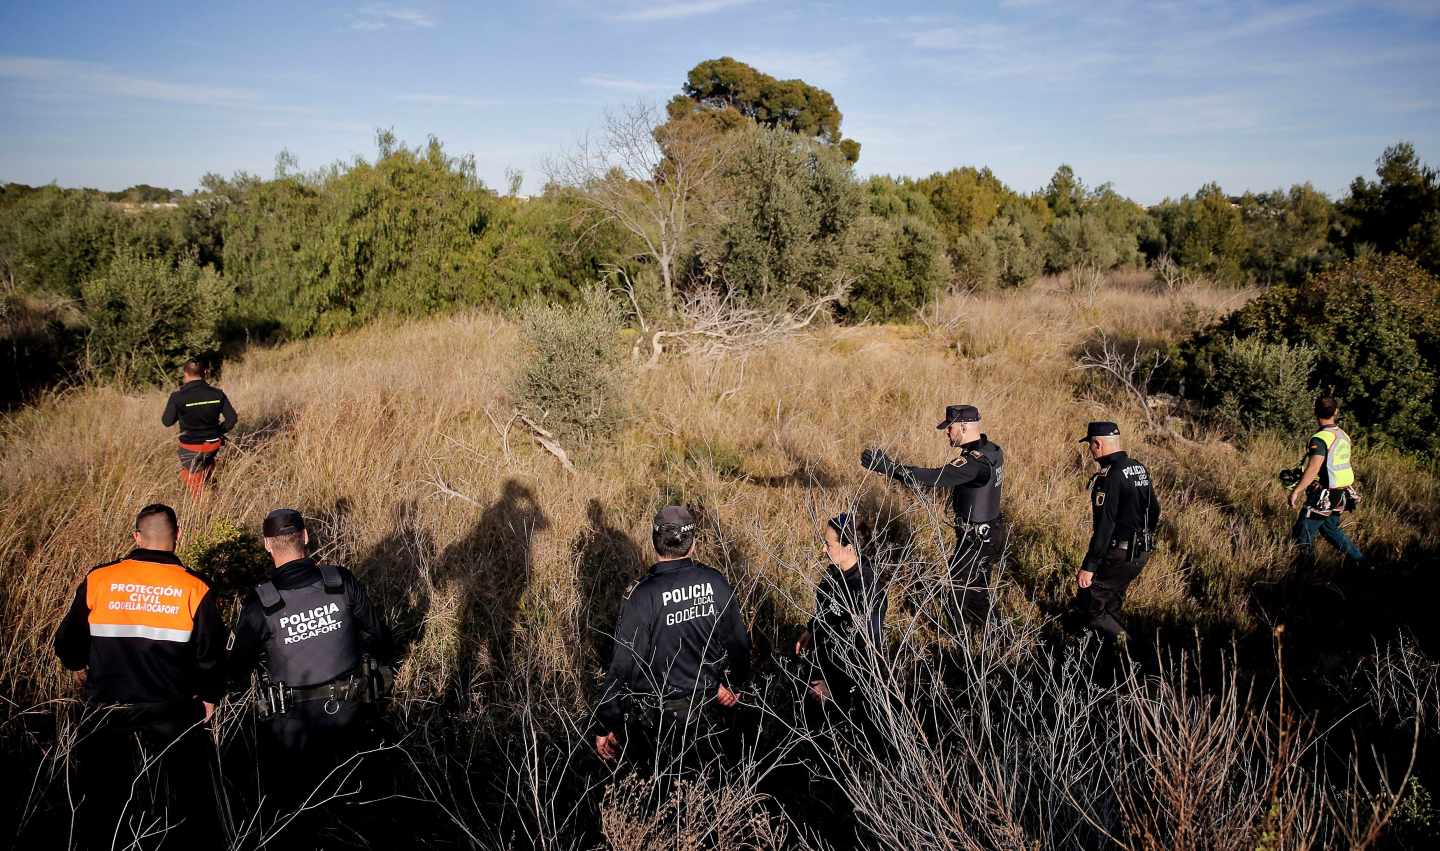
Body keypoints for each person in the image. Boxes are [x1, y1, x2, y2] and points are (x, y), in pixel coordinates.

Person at [53, 503, 226, 848]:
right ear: (177, 537)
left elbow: (67, 642)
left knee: (101, 798)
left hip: (107, 707)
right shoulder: (195, 587)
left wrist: (77, 667)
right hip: (171, 710)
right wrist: (209, 697)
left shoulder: (99, 578)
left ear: (136, 536)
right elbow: (211, 655)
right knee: (191, 797)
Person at [225, 508, 394, 834]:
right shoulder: (339, 581)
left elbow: (236, 669)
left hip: (293, 726)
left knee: (300, 813)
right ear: (305, 537)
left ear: (267, 545)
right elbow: (381, 637)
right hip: (352, 713)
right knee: (358, 803)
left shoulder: (261, 602)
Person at [592, 505, 752, 778]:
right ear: (694, 543)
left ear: (655, 541)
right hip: (710, 710)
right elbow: (739, 644)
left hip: (657, 721)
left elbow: (622, 666)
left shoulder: (641, 596)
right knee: (711, 782)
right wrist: (735, 684)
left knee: (662, 789)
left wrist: (606, 722)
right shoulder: (715, 582)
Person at [861, 404, 1005, 629]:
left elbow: (934, 477)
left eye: (951, 427)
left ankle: (963, 646)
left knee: (955, 596)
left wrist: (890, 468)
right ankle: (997, 636)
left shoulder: (974, 464)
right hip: (987, 534)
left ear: (965, 427)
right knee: (977, 592)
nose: (947, 432)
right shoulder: (992, 450)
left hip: (977, 540)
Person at [1072, 422, 1162, 643]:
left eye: (1090, 446)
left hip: (1118, 553)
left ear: (1097, 444)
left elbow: (1105, 525)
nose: (1091, 452)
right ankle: (1107, 657)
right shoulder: (1138, 467)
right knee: (1111, 602)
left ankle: (1129, 648)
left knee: (1090, 605)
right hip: (1140, 552)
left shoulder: (1109, 476)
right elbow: (1155, 508)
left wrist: (1089, 566)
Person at [795, 514, 887, 720]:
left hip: (848, 685)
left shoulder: (867, 589)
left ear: (850, 548)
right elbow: (826, 610)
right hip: (823, 663)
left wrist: (833, 686)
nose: (823, 549)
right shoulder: (833, 573)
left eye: (829, 544)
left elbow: (867, 650)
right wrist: (812, 629)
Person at [1288, 396, 1365, 564]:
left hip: (1325, 495)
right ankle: (1362, 562)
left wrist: (1296, 491)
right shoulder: (1342, 435)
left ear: (1315, 411)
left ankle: (1305, 572)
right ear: (1336, 412)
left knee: (1303, 532)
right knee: (1330, 529)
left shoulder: (1320, 438)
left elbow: (1314, 467)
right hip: (1342, 492)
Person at [161, 358, 237, 497]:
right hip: (213, 445)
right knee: (203, 475)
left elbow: (167, 421)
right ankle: (215, 495)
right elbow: (232, 419)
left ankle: (206, 513)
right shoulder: (217, 394)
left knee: (197, 490)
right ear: (206, 372)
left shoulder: (177, 397)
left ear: (185, 373)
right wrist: (218, 431)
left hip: (190, 447)